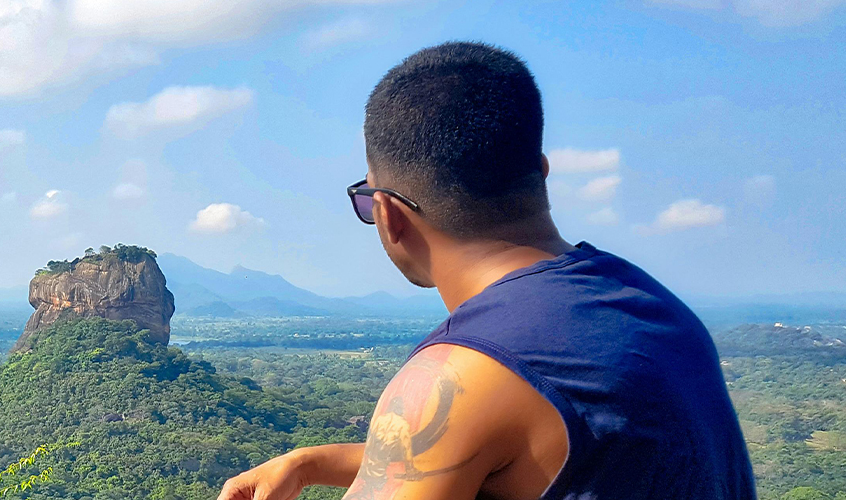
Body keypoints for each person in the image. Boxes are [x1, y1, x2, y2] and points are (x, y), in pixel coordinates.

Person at [216, 42, 756, 500]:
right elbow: (499, 444)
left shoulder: (457, 375)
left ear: (389, 214)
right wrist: (313, 463)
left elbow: (473, 423)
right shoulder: (645, 302)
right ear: (540, 174)